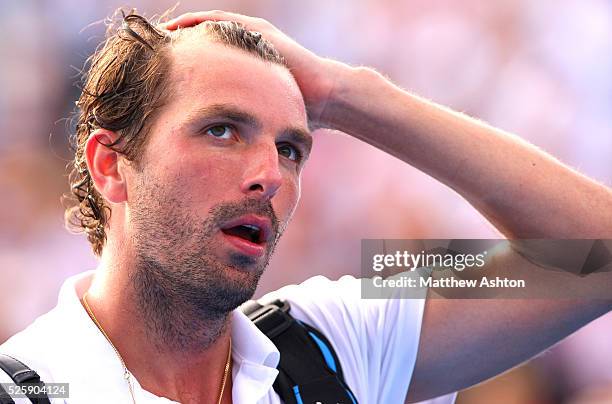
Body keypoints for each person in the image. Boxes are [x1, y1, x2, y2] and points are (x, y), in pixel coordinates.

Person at [1, 8, 610, 404]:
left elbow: (593, 256)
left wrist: (349, 94)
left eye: (291, 148)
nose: (269, 175)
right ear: (111, 164)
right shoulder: (26, 387)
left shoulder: (333, 335)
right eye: (221, 130)